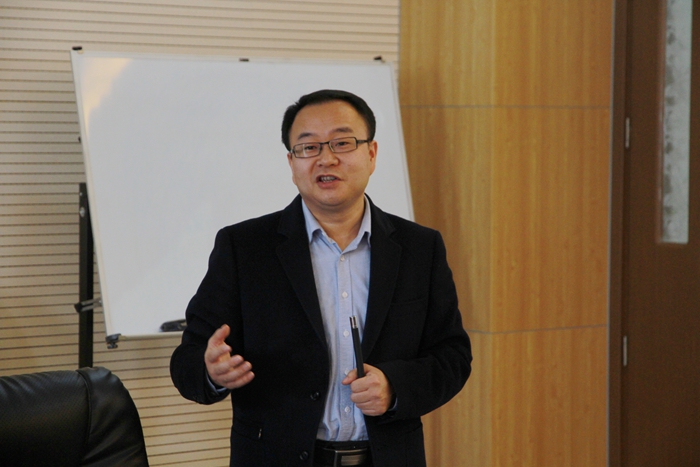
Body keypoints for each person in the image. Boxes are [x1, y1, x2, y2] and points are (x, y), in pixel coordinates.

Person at [170, 89, 472, 467]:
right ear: (291, 162)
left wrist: (395, 387)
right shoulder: (244, 247)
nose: (326, 158)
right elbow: (187, 360)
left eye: (342, 143)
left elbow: (452, 356)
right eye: (308, 147)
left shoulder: (419, 248)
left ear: (372, 153)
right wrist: (211, 371)